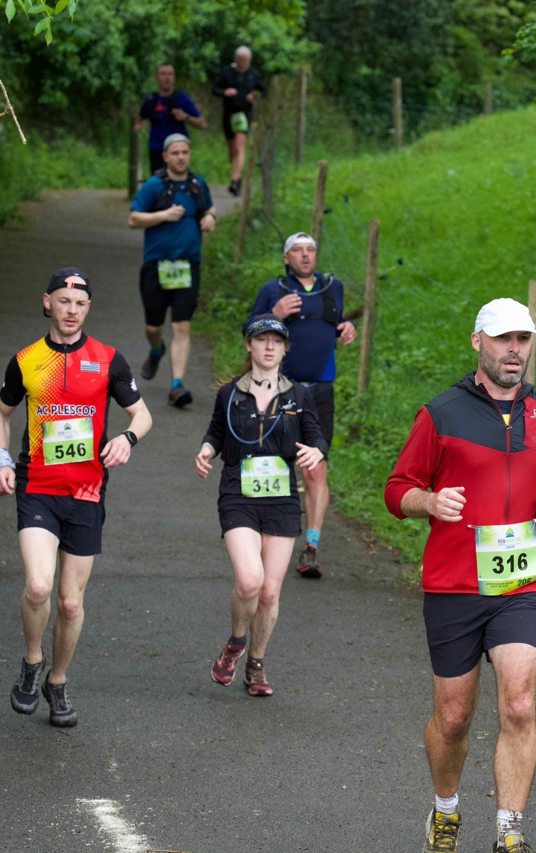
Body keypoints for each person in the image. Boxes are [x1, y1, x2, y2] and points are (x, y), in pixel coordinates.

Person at [383, 298, 536, 853]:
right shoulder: (441, 414)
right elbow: (397, 489)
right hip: (454, 585)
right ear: (478, 341)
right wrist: (429, 502)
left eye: (523, 339)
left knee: (519, 705)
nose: (514, 350)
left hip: (522, 585)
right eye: (503, 339)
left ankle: (509, 832)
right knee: (453, 717)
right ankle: (445, 811)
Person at [0, 266, 153, 728]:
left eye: (80, 304)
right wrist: (0, 459)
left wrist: (127, 439)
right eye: (64, 301)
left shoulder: (108, 360)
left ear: (88, 308)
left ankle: (56, 682)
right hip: (38, 486)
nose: (72, 311)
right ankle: (31, 661)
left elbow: (142, 415)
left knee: (69, 603)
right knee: (39, 586)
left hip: (86, 491)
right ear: (48, 302)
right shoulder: (26, 360)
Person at [195, 315, 327, 697]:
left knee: (269, 593)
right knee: (250, 580)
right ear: (248, 345)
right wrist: (206, 450)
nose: (269, 347)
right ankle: (236, 641)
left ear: (285, 350)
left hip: (281, 499)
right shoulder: (229, 394)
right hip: (238, 494)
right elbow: (215, 433)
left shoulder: (298, 395)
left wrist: (316, 451)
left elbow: (317, 438)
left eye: (276, 341)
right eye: (261, 339)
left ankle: (256, 662)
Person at [249, 232, 356, 578]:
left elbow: (333, 324)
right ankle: (264, 536)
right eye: (298, 250)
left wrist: (345, 328)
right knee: (273, 464)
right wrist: (274, 313)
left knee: (315, 468)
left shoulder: (331, 286)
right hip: (280, 390)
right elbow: (248, 330)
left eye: (310, 250)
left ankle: (311, 548)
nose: (305, 255)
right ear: (286, 258)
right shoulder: (273, 289)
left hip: (321, 390)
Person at [128, 133, 218, 408]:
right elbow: (133, 219)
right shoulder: (154, 186)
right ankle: (156, 349)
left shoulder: (197, 183)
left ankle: (177, 385)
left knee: (182, 325)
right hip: (157, 265)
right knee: (153, 326)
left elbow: (209, 207)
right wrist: (163, 216)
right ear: (165, 156)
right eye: (175, 153)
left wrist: (210, 217)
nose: (180, 157)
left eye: (184, 152)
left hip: (188, 265)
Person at [211, 45, 265, 197]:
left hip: (244, 113)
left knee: (239, 145)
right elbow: (215, 89)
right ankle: (237, 176)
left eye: (245, 60)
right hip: (229, 113)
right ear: (235, 59)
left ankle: (234, 180)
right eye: (240, 60)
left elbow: (262, 91)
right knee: (232, 148)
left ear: (249, 60)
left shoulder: (254, 74)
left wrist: (254, 96)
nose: (242, 63)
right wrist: (225, 92)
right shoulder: (226, 72)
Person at [134, 62, 207, 173]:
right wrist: (139, 127)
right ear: (157, 77)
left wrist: (186, 117)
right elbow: (140, 119)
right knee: (158, 181)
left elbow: (202, 124)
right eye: (163, 74)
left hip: (178, 150)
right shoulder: (150, 99)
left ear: (174, 78)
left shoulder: (182, 98)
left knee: (178, 179)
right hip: (156, 149)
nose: (167, 78)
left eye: (170, 74)